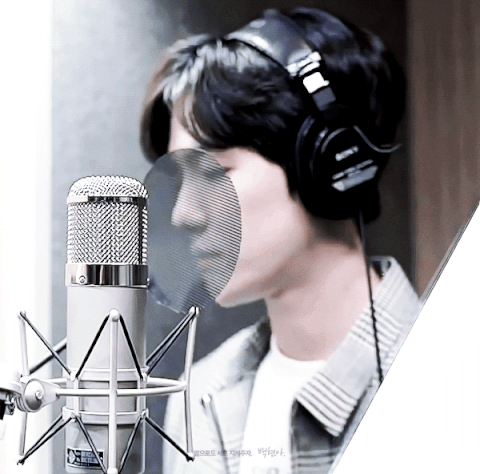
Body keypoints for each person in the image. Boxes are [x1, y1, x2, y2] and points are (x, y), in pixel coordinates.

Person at [140, 7, 421, 474]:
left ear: (327, 163)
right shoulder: (199, 396)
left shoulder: (452, 380)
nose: (183, 213)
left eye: (215, 171)